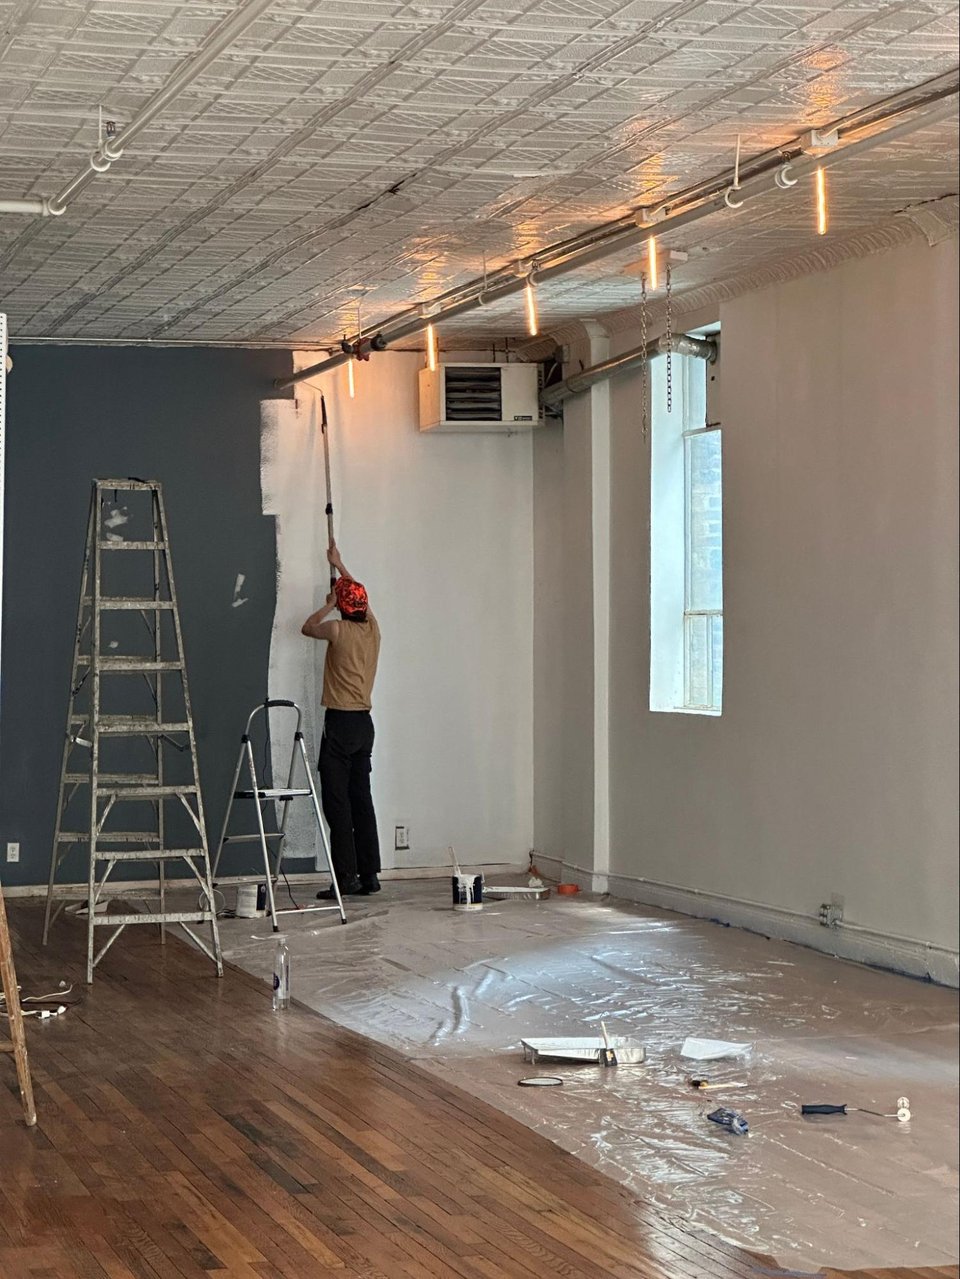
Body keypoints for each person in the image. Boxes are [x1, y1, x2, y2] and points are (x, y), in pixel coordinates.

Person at [301, 544, 381, 898]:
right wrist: (340, 566)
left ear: (343, 607)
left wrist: (330, 603)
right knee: (362, 800)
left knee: (338, 803)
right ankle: (370, 876)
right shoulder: (372, 630)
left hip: (341, 725)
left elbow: (307, 627)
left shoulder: (337, 630)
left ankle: (344, 878)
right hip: (365, 726)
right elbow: (359, 595)